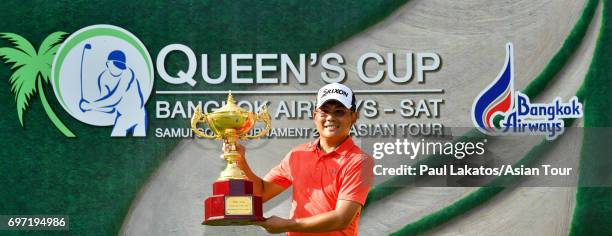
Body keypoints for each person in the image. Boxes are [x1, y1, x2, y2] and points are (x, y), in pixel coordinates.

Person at [231, 83, 374, 235]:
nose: (330, 118)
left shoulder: (360, 162)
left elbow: (341, 218)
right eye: (324, 112)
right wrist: (240, 161)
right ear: (314, 116)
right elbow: (261, 193)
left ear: (353, 117)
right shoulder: (298, 154)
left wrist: (287, 224)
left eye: (339, 112)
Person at [79, 50, 147, 136]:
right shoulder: (103, 79)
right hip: (123, 117)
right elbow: (109, 109)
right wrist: (90, 107)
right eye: (115, 65)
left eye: (121, 66)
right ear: (108, 63)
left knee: (141, 144)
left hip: (139, 114)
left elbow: (115, 98)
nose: (119, 69)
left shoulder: (127, 73)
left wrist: (90, 105)